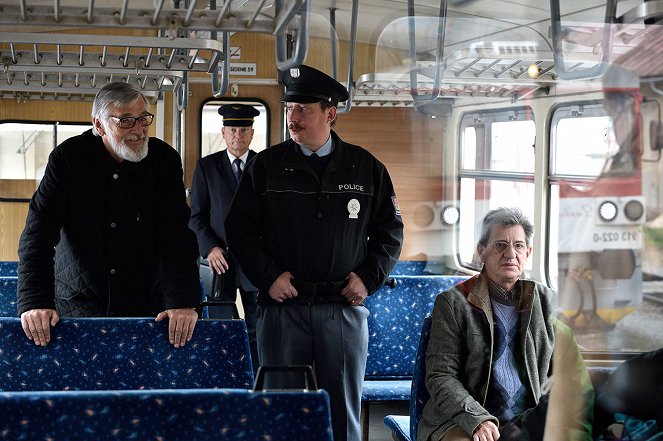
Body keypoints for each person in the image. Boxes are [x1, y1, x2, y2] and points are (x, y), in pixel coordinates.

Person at [225, 64, 404, 441]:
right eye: (289, 107)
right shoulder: (267, 166)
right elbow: (239, 230)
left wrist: (368, 278)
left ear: (330, 113)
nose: (292, 117)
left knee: (342, 413)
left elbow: (390, 231)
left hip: (341, 307)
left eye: (303, 108)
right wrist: (268, 277)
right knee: (281, 412)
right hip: (282, 309)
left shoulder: (365, 167)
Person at [17, 81, 200, 348]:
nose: (138, 130)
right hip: (79, 305)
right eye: (125, 121)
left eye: (142, 119)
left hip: (148, 305)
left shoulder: (164, 160)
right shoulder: (68, 159)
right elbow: (38, 234)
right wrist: (35, 302)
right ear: (99, 125)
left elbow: (177, 237)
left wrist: (182, 301)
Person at [418, 207, 593, 441]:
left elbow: (572, 377)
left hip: (529, 419)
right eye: (500, 245)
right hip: (462, 419)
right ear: (482, 251)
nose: (511, 254)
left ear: (528, 252)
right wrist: (477, 419)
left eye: (519, 246)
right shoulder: (452, 303)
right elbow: (440, 376)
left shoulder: (550, 303)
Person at [189, 103, 261, 372]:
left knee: (257, 331)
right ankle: (223, 380)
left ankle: (256, 386)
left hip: (255, 263)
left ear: (251, 134)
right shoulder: (207, 167)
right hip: (221, 262)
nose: (237, 136)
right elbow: (196, 217)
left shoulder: (262, 166)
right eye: (232, 130)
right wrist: (210, 249)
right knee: (221, 329)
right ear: (223, 132)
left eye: (243, 130)